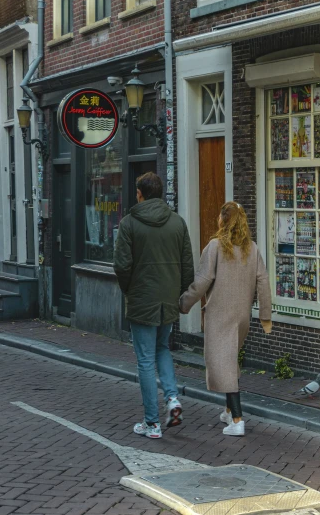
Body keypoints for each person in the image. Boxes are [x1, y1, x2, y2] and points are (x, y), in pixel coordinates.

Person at [179, 202, 272, 436]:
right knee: (231, 360)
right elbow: (263, 282)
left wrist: (184, 303)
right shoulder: (252, 248)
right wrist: (265, 315)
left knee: (223, 364)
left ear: (222, 220)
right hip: (242, 316)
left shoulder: (215, 247)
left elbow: (202, 280)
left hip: (220, 315)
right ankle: (229, 411)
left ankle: (238, 420)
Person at [114, 172, 194, 439]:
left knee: (145, 360)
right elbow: (188, 267)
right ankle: (172, 399)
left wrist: (130, 290)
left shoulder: (129, 224)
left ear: (140, 193)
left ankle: (152, 423)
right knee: (162, 349)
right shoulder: (178, 223)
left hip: (142, 299)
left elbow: (122, 266)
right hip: (168, 300)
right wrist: (178, 292)